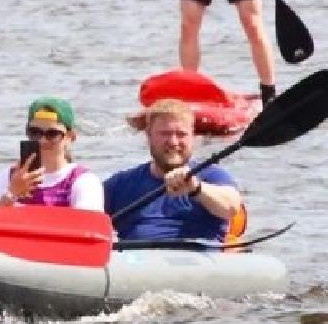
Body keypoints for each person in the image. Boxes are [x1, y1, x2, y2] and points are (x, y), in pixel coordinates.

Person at [104, 99, 246, 247]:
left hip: (199, 265)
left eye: (181, 134)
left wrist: (196, 189)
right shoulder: (121, 184)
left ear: (193, 137)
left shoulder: (212, 176)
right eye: (165, 134)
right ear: (148, 136)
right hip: (139, 265)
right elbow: (84, 214)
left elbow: (231, 207)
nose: (173, 142)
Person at [0, 98, 104, 211]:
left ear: (70, 137)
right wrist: (12, 193)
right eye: (35, 133)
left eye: (52, 134)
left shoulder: (84, 181)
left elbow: (86, 227)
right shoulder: (7, 177)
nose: (42, 141)